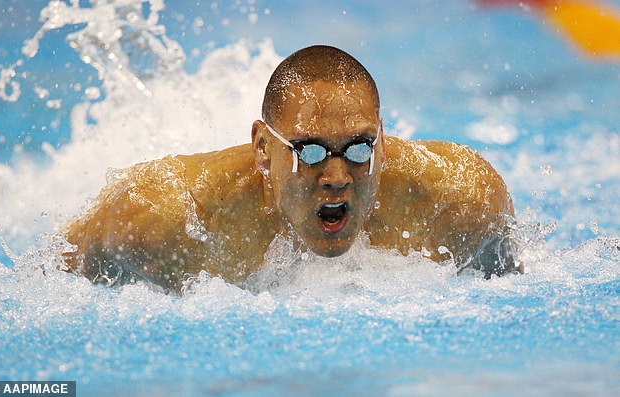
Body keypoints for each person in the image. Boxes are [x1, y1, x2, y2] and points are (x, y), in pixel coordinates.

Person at [64, 45, 519, 294]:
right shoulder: (167, 215)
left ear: (381, 140)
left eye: (359, 148)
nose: (337, 176)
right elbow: (53, 277)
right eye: (311, 152)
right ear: (264, 149)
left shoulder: (459, 199)